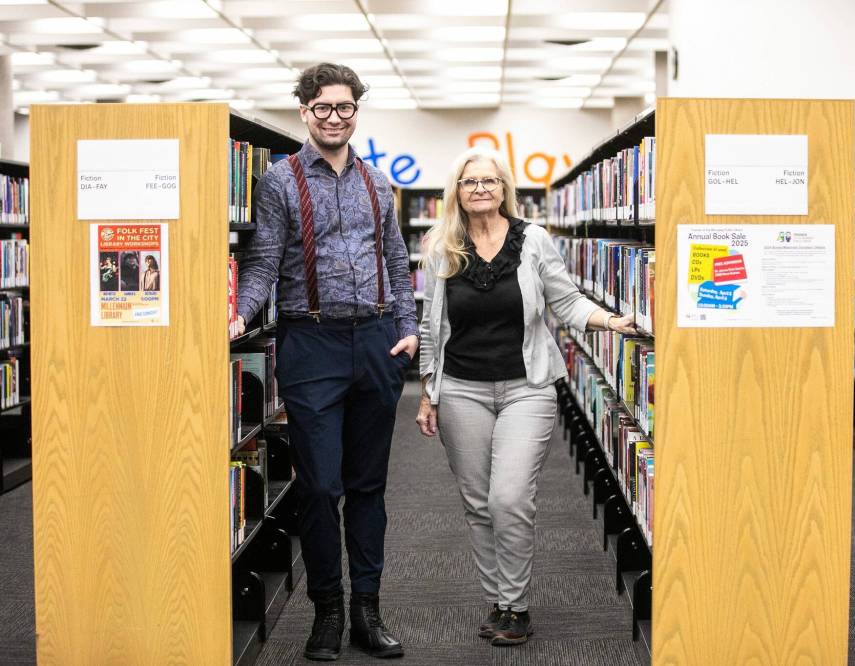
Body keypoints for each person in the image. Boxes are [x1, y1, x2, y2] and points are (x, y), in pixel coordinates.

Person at [232, 62, 417, 661]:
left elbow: (394, 258)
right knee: (317, 487)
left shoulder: (376, 183)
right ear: (304, 113)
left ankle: (368, 608)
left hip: (377, 342)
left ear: (356, 112)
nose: (334, 117)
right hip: (311, 343)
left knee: (368, 486)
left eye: (345, 108)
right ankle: (327, 611)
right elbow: (262, 260)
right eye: (322, 108)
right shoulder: (280, 181)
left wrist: (409, 330)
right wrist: (240, 312)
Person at [414, 147, 635, 647]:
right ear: (457, 191)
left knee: (509, 497)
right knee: (477, 502)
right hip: (462, 389)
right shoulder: (441, 246)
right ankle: (499, 601)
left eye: (489, 181)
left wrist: (612, 320)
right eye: (470, 182)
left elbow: (566, 301)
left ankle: (516, 603)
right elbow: (432, 326)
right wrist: (429, 393)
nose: (480, 189)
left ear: (504, 188)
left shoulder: (533, 240)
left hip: (527, 387)